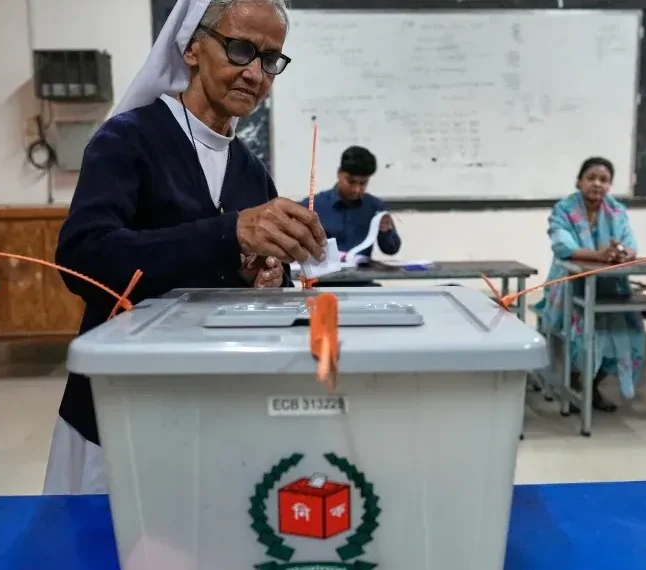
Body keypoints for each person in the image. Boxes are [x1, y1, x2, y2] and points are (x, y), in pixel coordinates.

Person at [42, 0, 327, 495]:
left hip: (216, 406)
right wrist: (229, 235)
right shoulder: (128, 140)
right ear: (191, 47)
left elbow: (242, 268)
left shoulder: (250, 170)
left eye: (270, 59)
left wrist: (265, 275)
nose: (255, 73)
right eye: (240, 49)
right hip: (125, 407)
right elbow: (82, 259)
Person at [534, 157, 646, 413]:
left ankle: (591, 386)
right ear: (579, 181)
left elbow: (631, 246)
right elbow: (563, 246)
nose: (597, 184)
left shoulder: (616, 211)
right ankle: (574, 385)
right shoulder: (564, 209)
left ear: (610, 185)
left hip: (610, 286)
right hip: (568, 284)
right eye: (591, 178)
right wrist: (599, 256)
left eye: (604, 180)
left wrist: (623, 253)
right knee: (581, 330)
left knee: (631, 327)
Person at [300, 146, 401, 260]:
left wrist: (386, 231)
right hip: (324, 276)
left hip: (361, 276)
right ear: (339, 173)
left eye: (363, 183)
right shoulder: (312, 205)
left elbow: (392, 250)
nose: (356, 189)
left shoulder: (375, 207)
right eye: (351, 182)